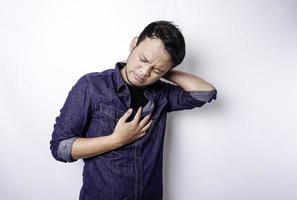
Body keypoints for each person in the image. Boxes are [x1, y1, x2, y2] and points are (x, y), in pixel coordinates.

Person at [50, 20, 217, 200]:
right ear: (133, 44)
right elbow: (60, 148)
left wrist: (162, 68)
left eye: (156, 70)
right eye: (143, 59)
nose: (144, 72)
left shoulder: (162, 94)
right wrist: (116, 140)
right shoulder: (91, 86)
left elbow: (205, 93)